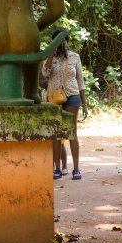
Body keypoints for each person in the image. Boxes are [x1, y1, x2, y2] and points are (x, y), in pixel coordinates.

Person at [42, 29, 88, 180]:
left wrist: (85, 103)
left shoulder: (75, 57)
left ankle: (76, 169)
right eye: (57, 41)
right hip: (54, 97)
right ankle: (57, 169)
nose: (61, 44)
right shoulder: (49, 57)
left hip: (72, 96)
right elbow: (45, 74)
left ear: (67, 41)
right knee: (56, 134)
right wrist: (50, 55)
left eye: (63, 41)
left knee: (72, 133)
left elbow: (80, 81)